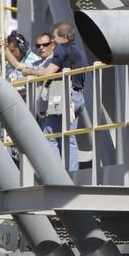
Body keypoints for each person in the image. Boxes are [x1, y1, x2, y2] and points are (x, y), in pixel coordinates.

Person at [17, 21, 87, 171]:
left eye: (54, 38)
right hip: (77, 96)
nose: (53, 42)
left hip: (63, 96)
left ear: (63, 37)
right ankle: (71, 173)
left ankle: (55, 174)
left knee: (50, 135)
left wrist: (29, 72)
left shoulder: (62, 49)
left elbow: (48, 73)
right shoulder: (76, 50)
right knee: (69, 136)